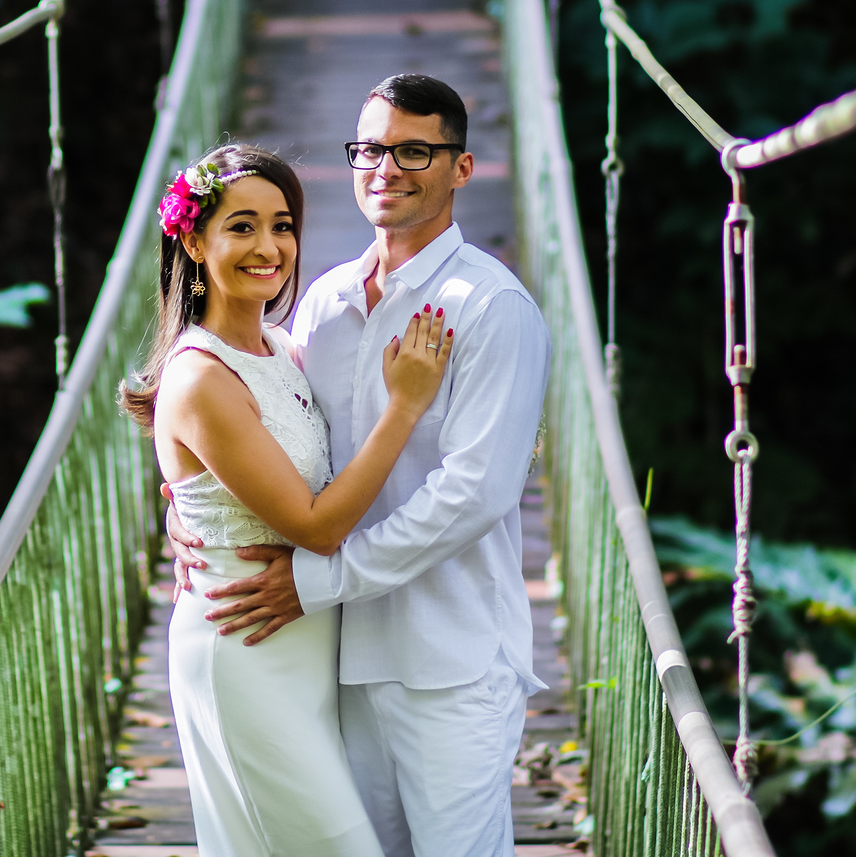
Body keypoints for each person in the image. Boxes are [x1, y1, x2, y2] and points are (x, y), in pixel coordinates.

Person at [168, 75, 553, 857]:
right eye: (371, 148)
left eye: (415, 150)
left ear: (462, 167)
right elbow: (264, 438)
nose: (386, 167)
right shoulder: (323, 304)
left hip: (445, 658)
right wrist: (193, 512)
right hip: (334, 662)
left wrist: (319, 580)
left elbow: (475, 494)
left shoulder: (490, 308)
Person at [120, 142, 454, 857]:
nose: (269, 247)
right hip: (243, 650)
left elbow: (267, 470)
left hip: (306, 648)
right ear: (192, 237)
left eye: (282, 225)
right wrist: (406, 406)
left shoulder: (282, 346)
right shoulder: (200, 378)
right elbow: (316, 526)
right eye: (241, 226)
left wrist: (182, 506)